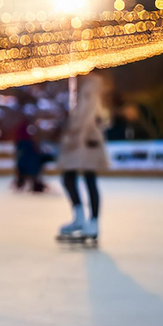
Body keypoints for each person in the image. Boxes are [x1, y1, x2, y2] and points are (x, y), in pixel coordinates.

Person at [57, 74, 110, 243]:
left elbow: (86, 114)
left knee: (88, 178)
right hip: (80, 138)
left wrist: (70, 128)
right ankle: (81, 218)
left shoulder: (90, 86)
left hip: (86, 138)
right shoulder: (80, 85)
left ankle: (92, 223)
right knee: (71, 176)